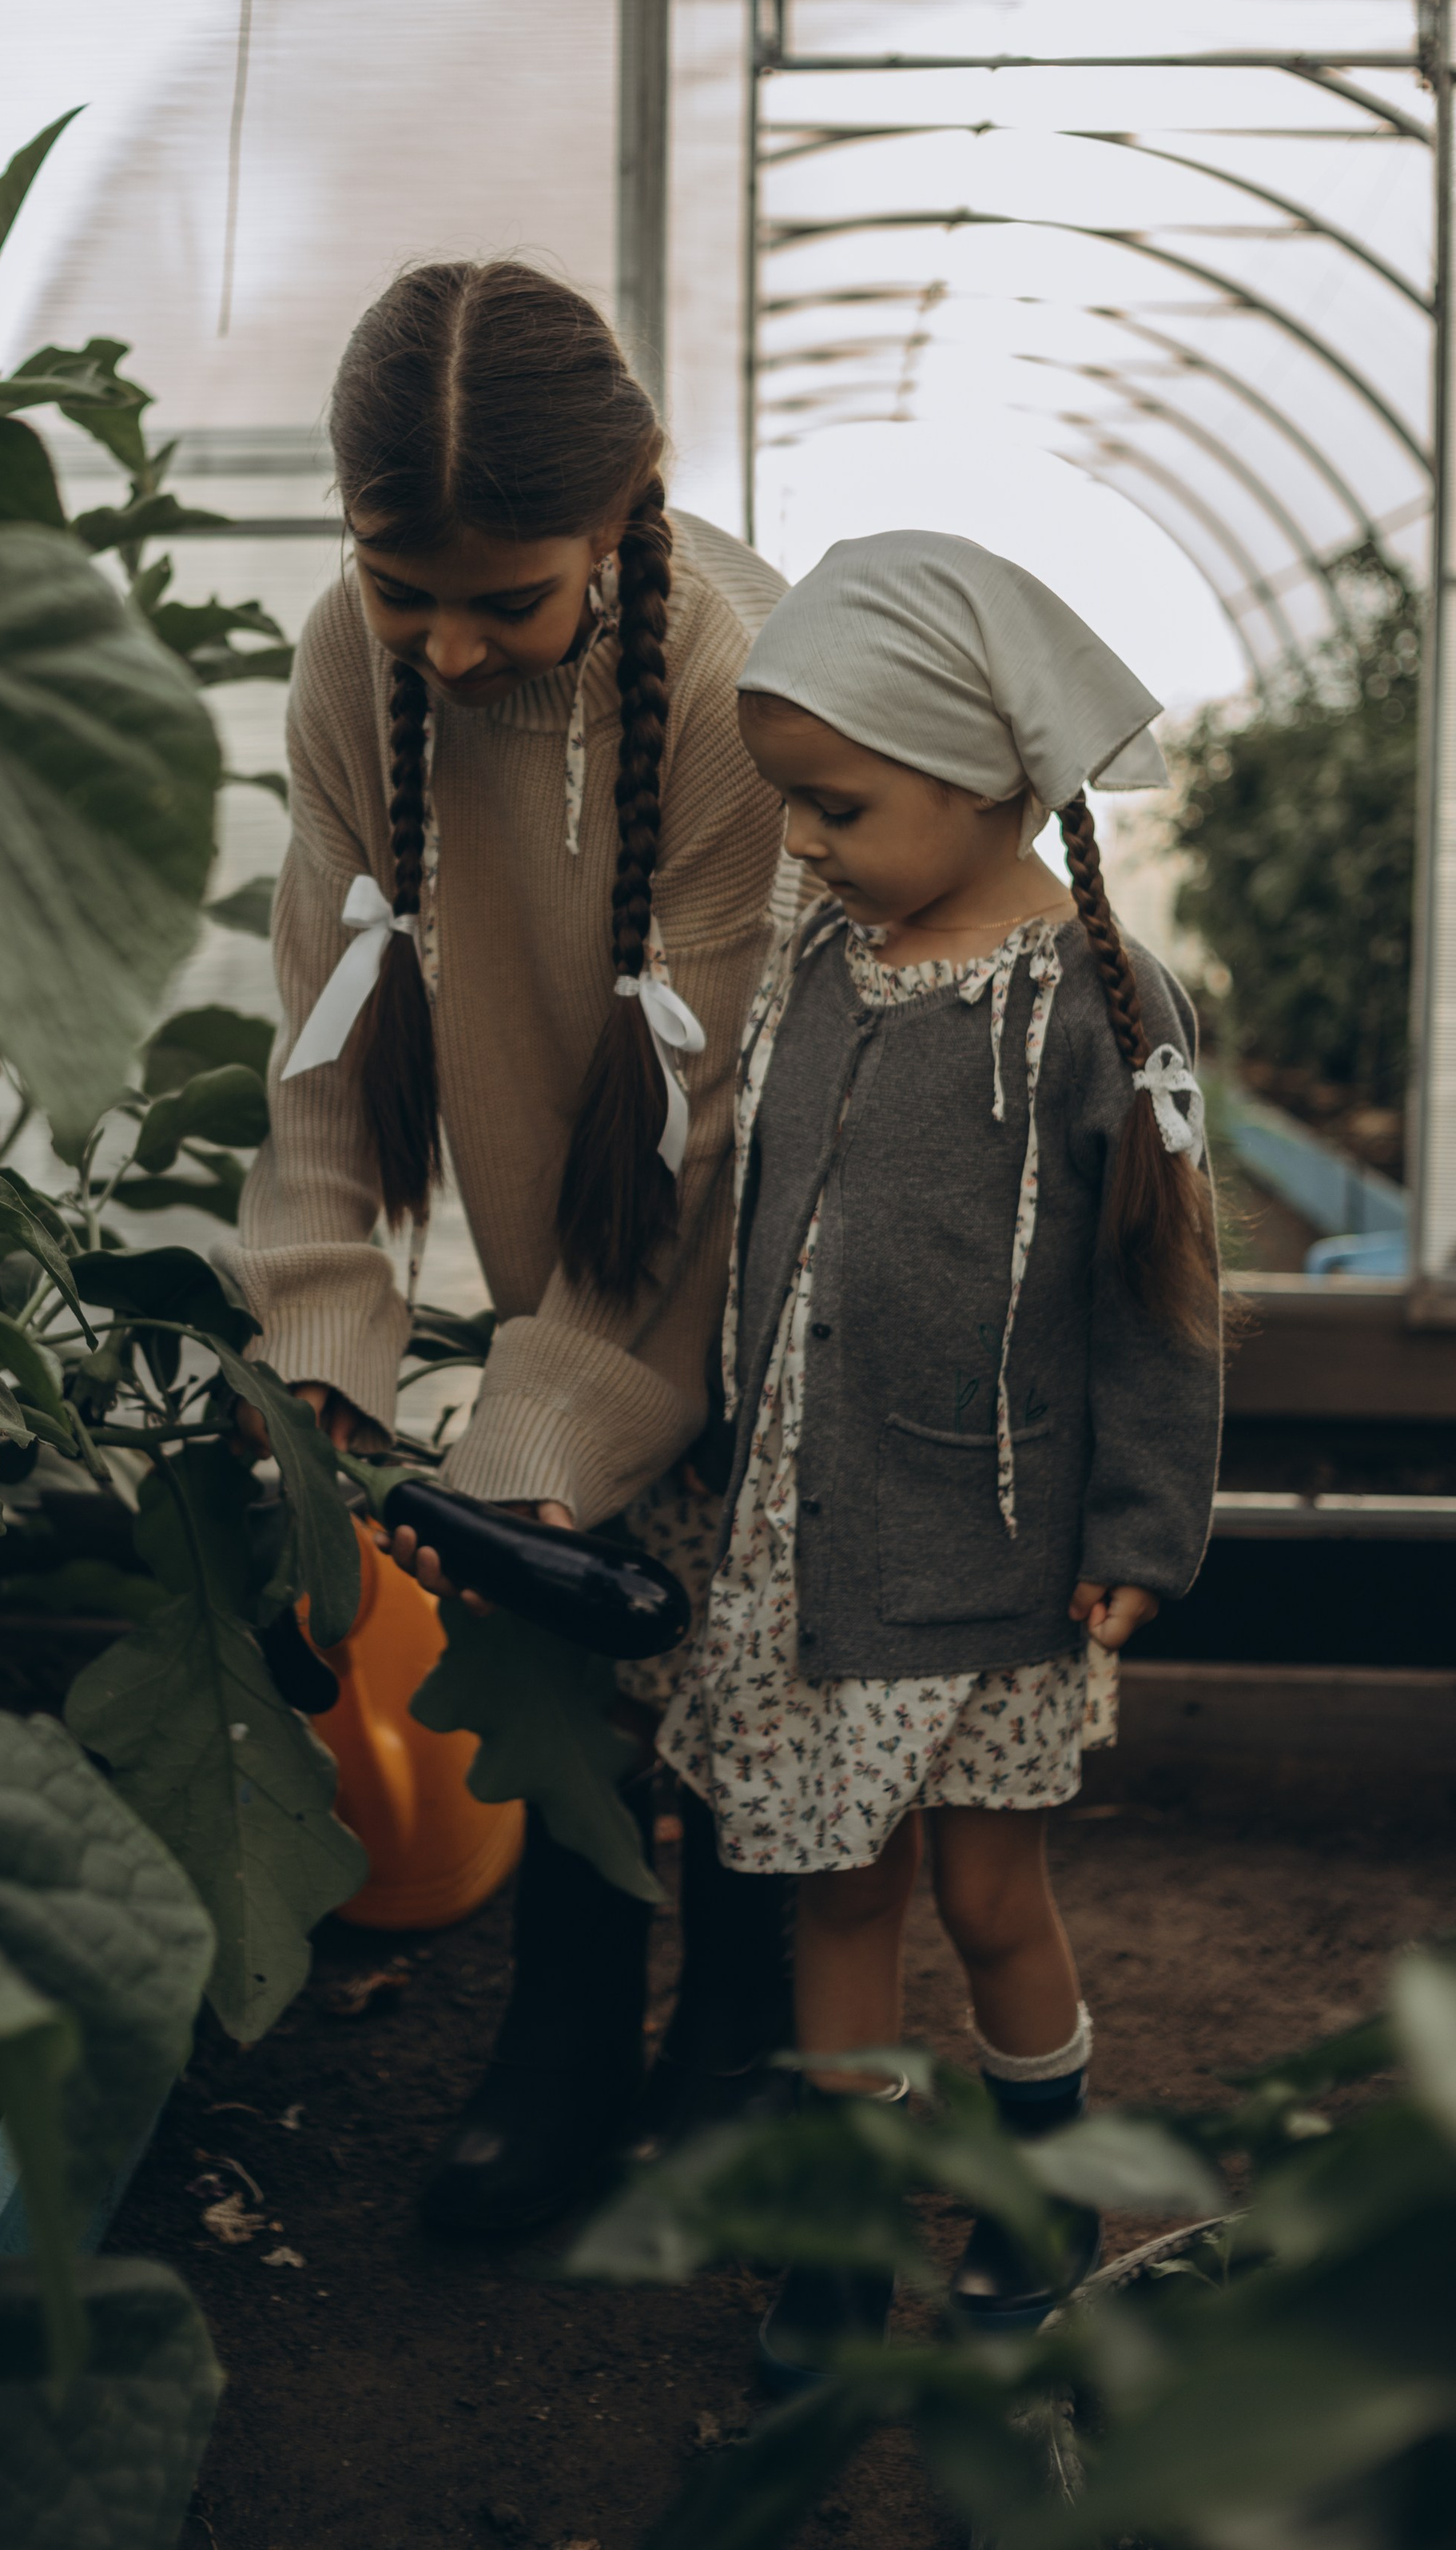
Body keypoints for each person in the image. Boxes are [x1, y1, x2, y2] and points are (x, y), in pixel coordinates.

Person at [235, 259, 802, 2232]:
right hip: (583, 1204)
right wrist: (316, 1367)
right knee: (562, 1627)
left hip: (773, 1212)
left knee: (744, 1626)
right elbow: (319, 1042)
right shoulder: (347, 658)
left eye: (507, 598)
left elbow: (710, 1131)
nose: (447, 647)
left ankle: (735, 2047)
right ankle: (559, 2035)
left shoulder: (737, 688)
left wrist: (525, 1459)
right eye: (406, 591)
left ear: (628, 504)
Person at [656, 529, 1222, 2388]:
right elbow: (768, 1234)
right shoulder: (824, 960)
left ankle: (1037, 2194)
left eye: (833, 804)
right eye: (789, 807)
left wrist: (1144, 1520)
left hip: (990, 1550)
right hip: (816, 1546)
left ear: (982, 775)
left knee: (986, 1900)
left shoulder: (1098, 1006)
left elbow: (1152, 1291)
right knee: (836, 1888)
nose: (801, 843)